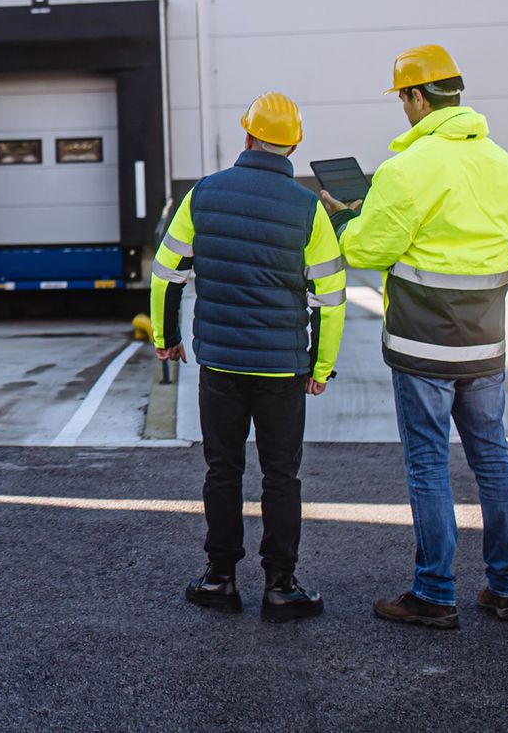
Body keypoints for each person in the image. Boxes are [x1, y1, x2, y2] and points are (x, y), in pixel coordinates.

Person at [321, 44, 508, 630]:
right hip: (485, 341)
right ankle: (507, 587)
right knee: (492, 458)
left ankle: (435, 593)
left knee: (429, 463)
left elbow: (366, 248)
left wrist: (348, 217)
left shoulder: (405, 169)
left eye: (403, 99)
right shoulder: (503, 164)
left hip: (422, 344)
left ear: (417, 97)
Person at [151, 91, 347, 622]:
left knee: (223, 470)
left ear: (247, 136)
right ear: (294, 146)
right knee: (282, 474)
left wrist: (166, 338)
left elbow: (167, 273)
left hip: (220, 364)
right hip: (284, 368)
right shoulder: (309, 208)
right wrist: (321, 365)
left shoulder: (204, 194)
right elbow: (330, 298)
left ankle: (219, 578)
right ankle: (282, 586)